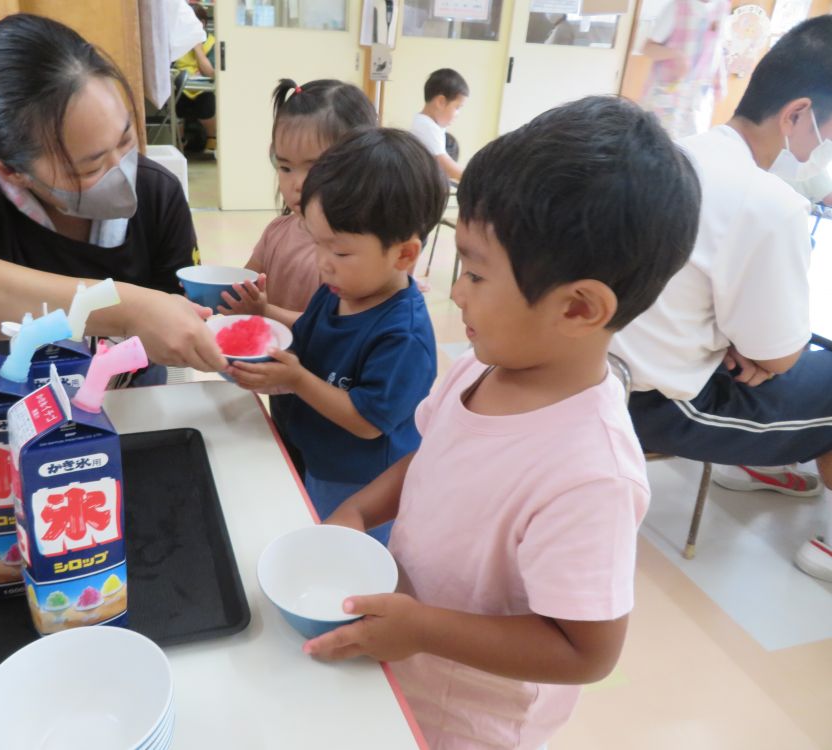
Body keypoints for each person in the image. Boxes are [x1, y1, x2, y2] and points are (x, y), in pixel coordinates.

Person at [304, 97, 701, 749]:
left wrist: (422, 628)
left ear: (578, 307)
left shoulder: (590, 473)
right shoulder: (478, 369)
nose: (456, 291)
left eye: (477, 273)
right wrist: (357, 512)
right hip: (406, 665)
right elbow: (426, 459)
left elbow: (586, 651)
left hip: (473, 722)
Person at [0, 13, 226, 374]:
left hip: (122, 401)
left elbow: (179, 317)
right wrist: (125, 309)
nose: (122, 170)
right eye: (90, 167)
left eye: (126, 138)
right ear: (11, 171)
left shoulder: (157, 191)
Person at [610, 16, 832, 582]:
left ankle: (771, 467)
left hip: (612, 375)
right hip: (664, 401)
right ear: (797, 115)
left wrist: (747, 344)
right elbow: (779, 358)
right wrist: (759, 351)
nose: (824, 155)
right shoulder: (770, 203)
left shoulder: (682, 152)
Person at [228, 128, 447, 544]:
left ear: (404, 254)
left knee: (348, 553)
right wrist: (264, 312)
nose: (323, 264)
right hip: (320, 455)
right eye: (317, 243)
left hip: (361, 481)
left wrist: (295, 380)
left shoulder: (403, 336)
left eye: (340, 251)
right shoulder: (343, 289)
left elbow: (366, 422)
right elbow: (309, 329)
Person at [219, 78, 377, 477]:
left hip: (329, 397)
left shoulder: (359, 256)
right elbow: (247, 285)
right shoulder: (278, 231)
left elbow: (336, 331)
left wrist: (266, 308)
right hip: (279, 382)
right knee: (284, 462)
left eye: (315, 167)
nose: (296, 182)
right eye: (284, 166)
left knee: (317, 473)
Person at [640, 0, 730, 139]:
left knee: (689, 147)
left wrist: (719, 81)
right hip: (668, 93)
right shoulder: (678, 7)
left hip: (699, 97)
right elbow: (648, 48)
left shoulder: (722, 7)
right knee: (657, 143)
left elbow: (718, 47)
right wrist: (676, 55)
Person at [173, 3, 217, 152]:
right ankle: (180, 143)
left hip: (203, 89)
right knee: (174, 100)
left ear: (202, 24)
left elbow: (211, 72)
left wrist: (197, 48)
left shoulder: (212, 43)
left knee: (208, 102)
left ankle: (212, 140)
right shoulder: (178, 41)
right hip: (181, 89)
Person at [410, 68, 467, 181]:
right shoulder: (426, 126)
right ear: (440, 102)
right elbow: (445, 165)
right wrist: (472, 177)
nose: (458, 114)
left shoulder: (428, 123)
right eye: (457, 107)